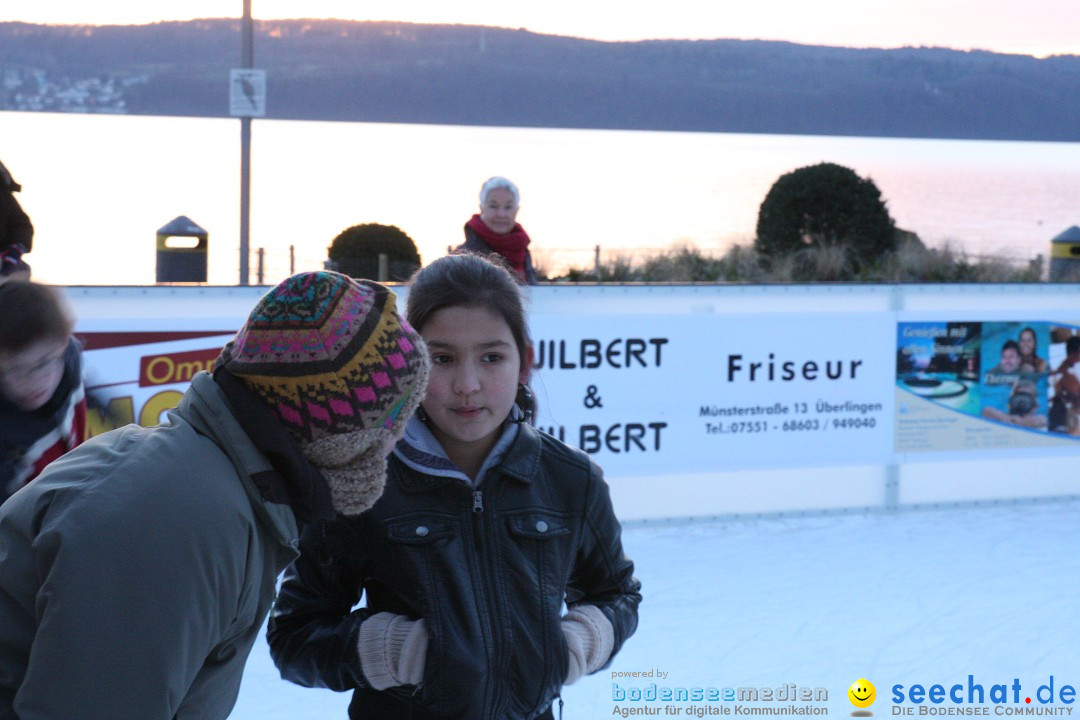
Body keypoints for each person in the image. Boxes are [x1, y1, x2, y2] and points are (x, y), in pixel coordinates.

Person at [0, 271, 430, 719]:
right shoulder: (178, 518)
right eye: (395, 421)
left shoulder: (218, 485)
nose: (399, 441)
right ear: (339, 435)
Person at [267, 252, 641, 719]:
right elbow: (294, 638)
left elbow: (617, 595)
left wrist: (576, 643)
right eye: (440, 358)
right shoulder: (362, 484)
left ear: (524, 361)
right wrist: (398, 650)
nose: (468, 384)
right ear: (409, 363)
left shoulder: (572, 480)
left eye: (491, 357)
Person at [0, 280, 86, 505]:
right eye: (14, 369)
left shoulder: (71, 356)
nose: (32, 382)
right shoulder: (7, 439)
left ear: (64, 341)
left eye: (42, 364)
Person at [459, 176, 539, 284]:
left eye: (508, 207)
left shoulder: (522, 250)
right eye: (493, 206)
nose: (501, 214)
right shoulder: (462, 258)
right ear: (482, 208)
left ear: (516, 211)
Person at [0, 159, 33, 279]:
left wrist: (16, 248)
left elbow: (22, 226)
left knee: (20, 275)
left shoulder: (5, 198)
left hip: (5, 262)